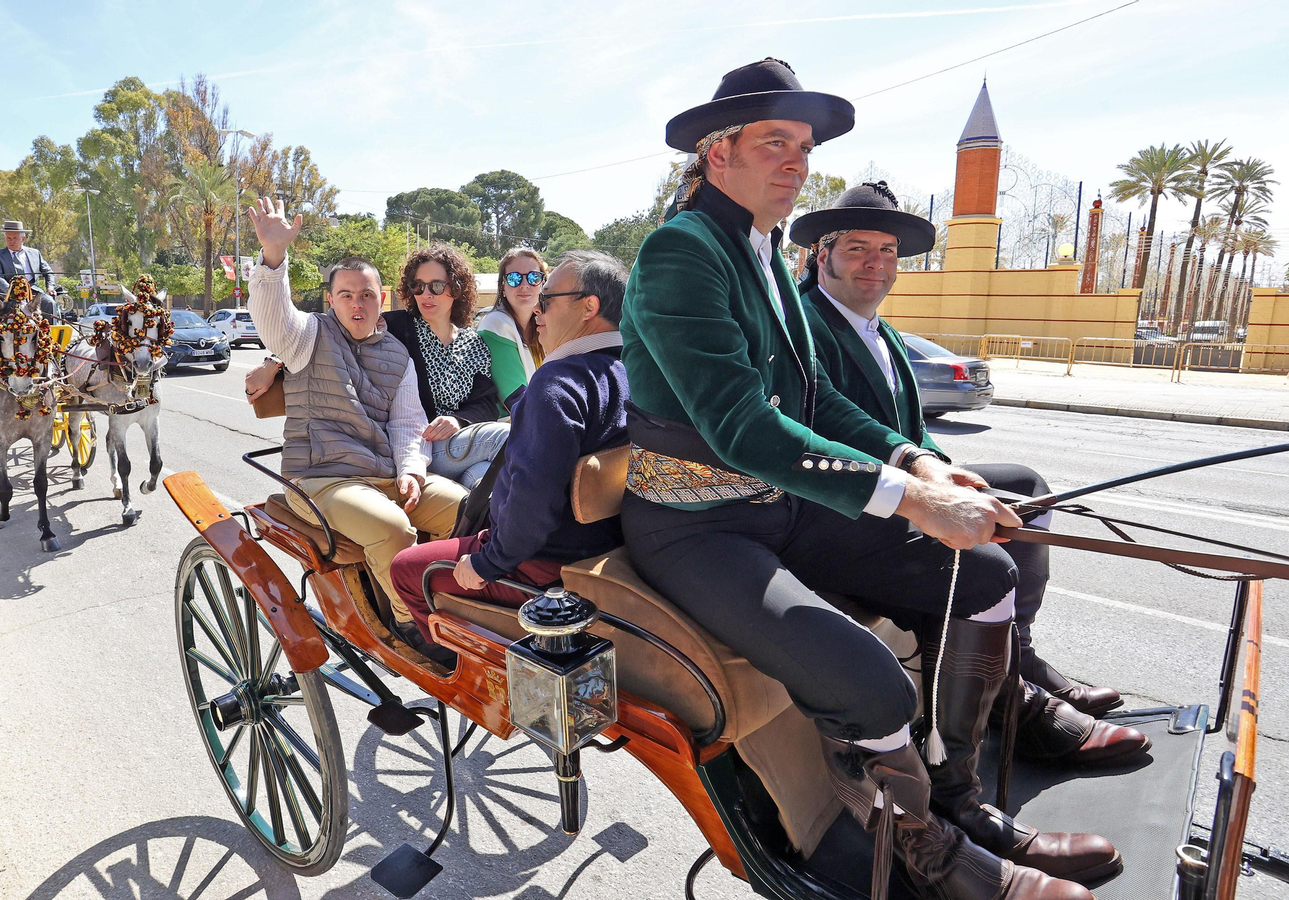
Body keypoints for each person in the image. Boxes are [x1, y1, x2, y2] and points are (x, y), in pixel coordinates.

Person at [620, 58, 1099, 899]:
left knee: (985, 573)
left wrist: (922, 461)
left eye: (804, 147)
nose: (797, 162)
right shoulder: (681, 251)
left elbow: (818, 399)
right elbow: (743, 428)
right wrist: (913, 501)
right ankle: (926, 856)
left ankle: (959, 802)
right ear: (716, 152)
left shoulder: (764, 253)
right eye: (775, 142)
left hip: (783, 507)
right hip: (697, 525)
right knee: (868, 683)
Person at [789, 181, 1150, 821]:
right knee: (983, 563)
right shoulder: (803, 324)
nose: (875, 263)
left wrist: (949, 472)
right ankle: (968, 769)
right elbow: (829, 420)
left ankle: (1020, 664)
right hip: (841, 504)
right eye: (857, 248)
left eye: (887, 251)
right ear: (823, 255)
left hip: (904, 481)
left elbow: (913, 430)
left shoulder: (881, 333)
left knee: (1024, 489)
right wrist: (924, 482)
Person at [390, 250, 630, 665]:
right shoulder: (631, 371)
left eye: (547, 298)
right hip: (605, 552)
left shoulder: (557, 383)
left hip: (540, 564)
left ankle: (456, 671)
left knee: (406, 569)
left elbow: (533, 503)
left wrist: (488, 562)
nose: (537, 307)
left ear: (589, 307)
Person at [245, 198, 468, 643]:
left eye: (366, 294)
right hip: (323, 479)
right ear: (331, 300)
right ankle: (410, 625)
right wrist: (273, 255)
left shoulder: (398, 354)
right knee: (392, 528)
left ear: (381, 299)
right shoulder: (309, 334)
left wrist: (411, 471)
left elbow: (408, 423)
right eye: (346, 295)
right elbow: (274, 321)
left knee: (470, 508)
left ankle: (460, 607)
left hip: (383, 475)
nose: (357, 303)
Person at [383, 245, 507, 489]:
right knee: (507, 437)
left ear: (456, 289)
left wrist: (457, 420)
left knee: (482, 479)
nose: (426, 294)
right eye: (418, 286)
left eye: (436, 286)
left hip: (459, 444)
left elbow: (485, 404)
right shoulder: (395, 328)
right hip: (418, 446)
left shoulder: (473, 343)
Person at [478, 248, 546, 402]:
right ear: (503, 286)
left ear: (542, 283)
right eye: (514, 278)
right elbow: (516, 399)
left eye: (534, 277)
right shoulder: (495, 325)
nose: (524, 285)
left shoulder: (542, 326)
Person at [0, 220, 57, 301]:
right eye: (8, 238)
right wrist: (11, 291)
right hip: (9, 293)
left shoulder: (35, 253)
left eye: (15, 238)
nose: (11, 241)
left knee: (49, 302)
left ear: (23, 239)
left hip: (33, 291)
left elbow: (48, 272)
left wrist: (50, 287)